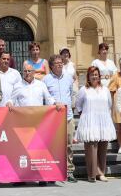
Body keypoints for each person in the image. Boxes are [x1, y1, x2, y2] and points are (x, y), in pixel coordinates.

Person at [74, 66, 116, 183]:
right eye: (92, 74)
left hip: (103, 121)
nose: (94, 76)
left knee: (103, 147)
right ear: (88, 76)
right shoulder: (84, 90)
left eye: (96, 74)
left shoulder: (105, 90)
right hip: (90, 122)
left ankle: (101, 172)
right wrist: (87, 115)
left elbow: (109, 104)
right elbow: (78, 105)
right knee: (91, 148)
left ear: (99, 76)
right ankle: (92, 174)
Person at [43, 55, 77, 183]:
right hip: (53, 119)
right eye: (56, 63)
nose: (59, 65)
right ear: (51, 66)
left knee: (68, 145)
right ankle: (52, 171)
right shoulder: (46, 80)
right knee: (53, 146)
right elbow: (45, 98)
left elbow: (70, 94)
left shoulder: (69, 78)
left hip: (68, 117)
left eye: (61, 63)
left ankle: (69, 171)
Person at [109, 57, 121, 153]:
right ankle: (120, 146)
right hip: (119, 104)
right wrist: (114, 105)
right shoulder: (116, 75)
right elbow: (111, 90)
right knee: (120, 127)